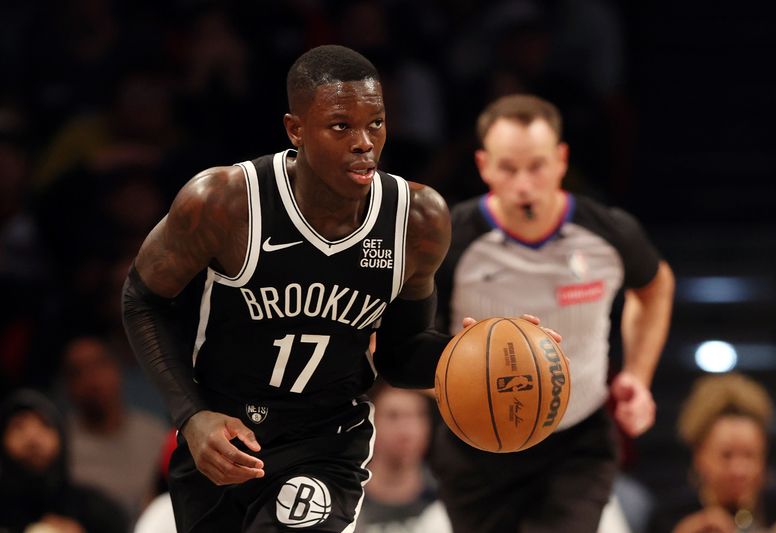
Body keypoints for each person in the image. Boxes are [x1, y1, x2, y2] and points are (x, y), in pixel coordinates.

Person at [121, 44, 465, 532]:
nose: (365, 142)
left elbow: (400, 353)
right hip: (225, 435)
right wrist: (192, 416)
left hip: (327, 441)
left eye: (377, 123)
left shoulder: (418, 219)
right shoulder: (224, 202)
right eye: (342, 125)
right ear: (295, 129)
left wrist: (472, 357)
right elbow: (142, 301)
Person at [431, 93, 675, 533]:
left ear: (562, 160)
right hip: (475, 448)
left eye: (537, 166)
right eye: (507, 168)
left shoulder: (609, 233)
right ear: (484, 165)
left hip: (578, 441)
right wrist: (455, 378)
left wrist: (638, 375)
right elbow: (400, 339)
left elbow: (656, 285)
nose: (524, 184)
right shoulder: (449, 241)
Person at [647, 372, 776, 533]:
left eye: (749, 455)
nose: (739, 470)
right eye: (726, 455)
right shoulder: (669, 517)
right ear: (699, 455)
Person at [61, 335, 168, 522]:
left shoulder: (155, 434)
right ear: (67, 386)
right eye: (77, 372)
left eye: (99, 365)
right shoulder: (59, 443)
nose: (91, 380)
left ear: (117, 370)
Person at [0, 388, 127, 533]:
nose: (32, 437)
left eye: (45, 424)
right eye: (18, 426)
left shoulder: (96, 511)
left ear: (62, 438)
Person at [354, 381, 451, 533]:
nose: (407, 431)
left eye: (418, 415)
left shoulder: (448, 495)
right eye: (393, 416)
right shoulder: (345, 498)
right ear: (371, 423)